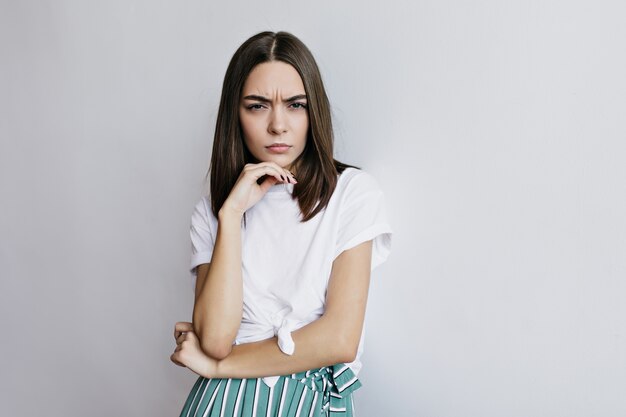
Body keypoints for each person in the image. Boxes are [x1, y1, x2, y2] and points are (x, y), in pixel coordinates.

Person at [170, 31, 393, 417]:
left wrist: (218, 367)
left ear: (314, 112)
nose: (278, 125)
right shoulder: (215, 213)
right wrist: (231, 215)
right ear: (234, 116)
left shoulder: (352, 194)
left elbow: (339, 339)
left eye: (295, 105)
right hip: (220, 403)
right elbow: (217, 339)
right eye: (257, 106)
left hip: (307, 400)